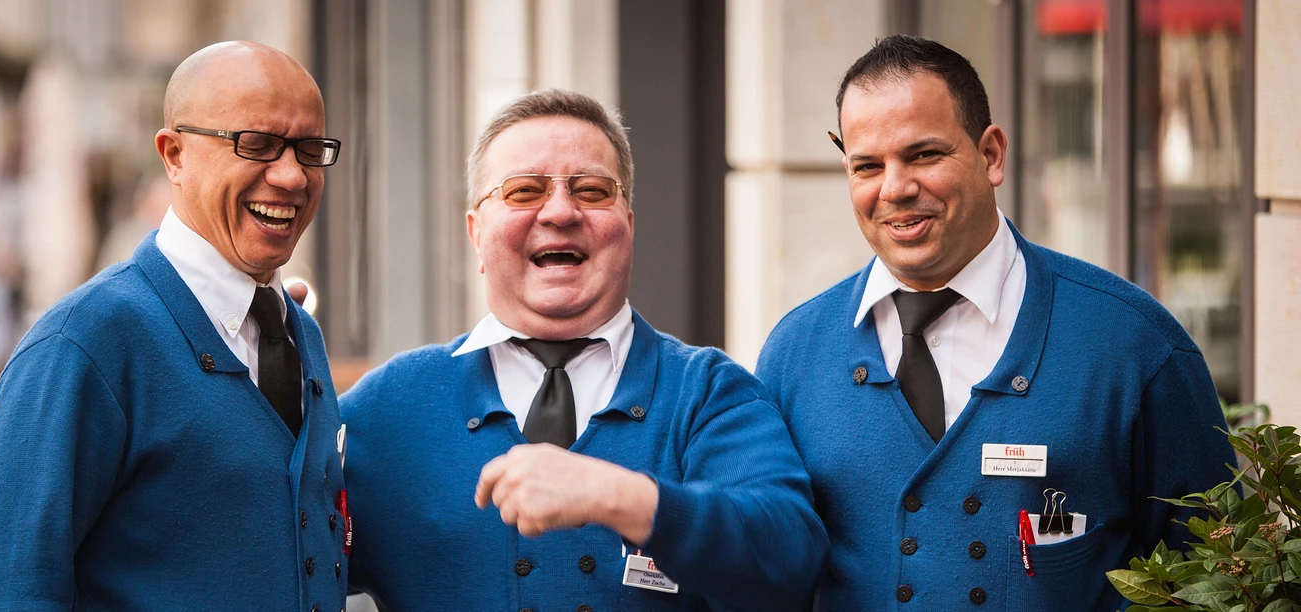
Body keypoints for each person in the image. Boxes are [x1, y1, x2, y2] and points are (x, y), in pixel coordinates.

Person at [754, 35, 1236, 612]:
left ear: (991, 155)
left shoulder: (1135, 346)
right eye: (867, 166)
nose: (895, 188)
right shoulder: (793, 355)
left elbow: (1214, 578)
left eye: (924, 155)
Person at [338, 89, 828, 611]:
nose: (560, 211)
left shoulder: (708, 393)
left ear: (629, 227)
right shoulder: (390, 405)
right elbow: (289, 555)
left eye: (592, 191)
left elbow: (790, 555)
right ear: (476, 234)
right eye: (524, 191)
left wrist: (621, 497)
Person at [0, 41, 348, 611]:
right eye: (256, 144)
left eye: (309, 150)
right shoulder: (84, 345)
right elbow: (4, 594)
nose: (291, 176)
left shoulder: (299, 333)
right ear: (174, 155)